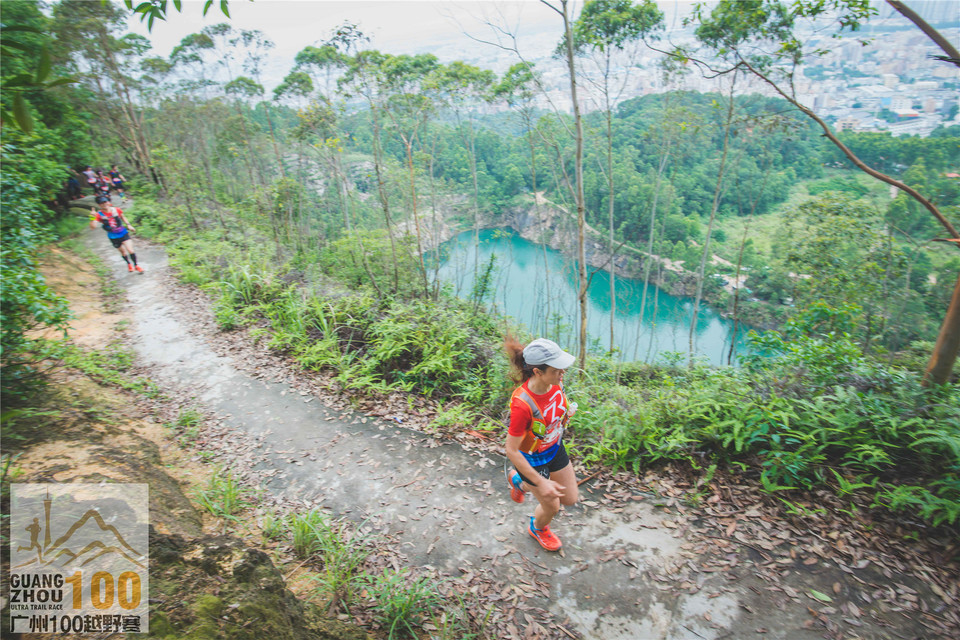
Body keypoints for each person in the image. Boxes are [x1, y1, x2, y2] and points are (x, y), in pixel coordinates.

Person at [504, 338, 579, 551]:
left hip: (554, 449)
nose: (562, 373)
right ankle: (538, 528)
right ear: (538, 372)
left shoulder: (556, 384)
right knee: (552, 506)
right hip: (532, 458)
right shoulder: (522, 405)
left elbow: (553, 410)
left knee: (570, 498)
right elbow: (511, 450)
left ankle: (520, 482)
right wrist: (541, 482)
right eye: (557, 370)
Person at [89, 196, 143, 273]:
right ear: (99, 205)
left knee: (130, 250)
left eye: (105, 202)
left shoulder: (116, 209)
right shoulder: (98, 214)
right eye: (101, 203)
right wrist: (92, 217)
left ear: (108, 202)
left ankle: (136, 265)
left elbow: (123, 217)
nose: (104, 204)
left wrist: (128, 225)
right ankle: (128, 264)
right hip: (113, 236)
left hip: (123, 233)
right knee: (123, 252)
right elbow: (93, 227)